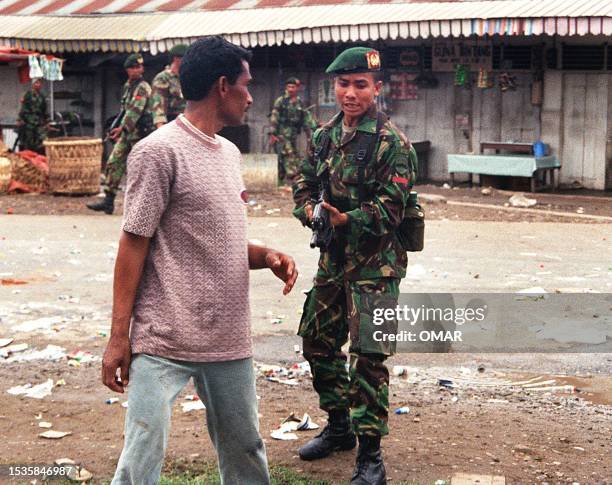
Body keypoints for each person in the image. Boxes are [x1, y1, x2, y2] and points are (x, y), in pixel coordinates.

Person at [102, 36, 298, 485]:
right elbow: (133, 244)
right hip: (163, 338)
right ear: (223, 86)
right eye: (247, 85)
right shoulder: (158, 151)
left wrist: (265, 255)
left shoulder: (229, 154)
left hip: (227, 339)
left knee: (245, 451)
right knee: (141, 454)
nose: (252, 96)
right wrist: (118, 338)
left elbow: (215, 241)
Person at [292, 47, 417, 485]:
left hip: (375, 265)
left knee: (368, 359)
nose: (350, 93)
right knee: (317, 341)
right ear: (334, 87)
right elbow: (303, 184)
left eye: (360, 85)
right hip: (333, 261)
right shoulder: (324, 137)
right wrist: (311, 212)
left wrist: (348, 219)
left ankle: (370, 456)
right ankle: (339, 427)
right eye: (343, 84)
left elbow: (391, 210)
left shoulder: (392, 145)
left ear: (376, 89)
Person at [87, 53, 153, 215]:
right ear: (128, 70)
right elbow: (124, 111)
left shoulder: (143, 87)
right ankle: (108, 201)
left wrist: (121, 129)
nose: (139, 69)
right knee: (114, 162)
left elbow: (135, 112)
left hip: (140, 134)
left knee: (140, 170)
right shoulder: (127, 86)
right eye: (135, 67)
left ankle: (144, 205)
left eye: (140, 67)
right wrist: (116, 126)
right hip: (128, 134)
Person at [269, 77, 317, 187]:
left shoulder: (299, 102)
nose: (290, 89)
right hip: (282, 133)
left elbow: (306, 117)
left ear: (297, 88)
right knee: (289, 154)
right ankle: (293, 178)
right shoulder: (281, 101)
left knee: (283, 157)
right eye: (289, 86)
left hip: (293, 133)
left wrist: (315, 127)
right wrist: (273, 133)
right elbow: (274, 116)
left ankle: (281, 181)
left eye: (293, 87)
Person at [150, 44, 188, 129]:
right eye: (186, 57)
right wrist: (161, 128)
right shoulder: (163, 78)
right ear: (176, 59)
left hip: (190, 123)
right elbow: (158, 104)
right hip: (172, 124)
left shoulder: (188, 77)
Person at [16, 77, 48, 154]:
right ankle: (28, 158)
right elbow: (23, 107)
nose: (38, 85)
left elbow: (44, 110)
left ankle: (39, 158)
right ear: (33, 85)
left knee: (41, 141)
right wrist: (19, 119)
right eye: (36, 83)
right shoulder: (28, 95)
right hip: (29, 121)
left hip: (39, 121)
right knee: (29, 141)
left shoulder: (42, 96)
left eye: (39, 83)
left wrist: (47, 121)